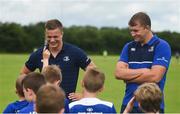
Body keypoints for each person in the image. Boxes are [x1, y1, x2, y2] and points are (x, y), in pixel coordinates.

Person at [20, 19, 96, 98]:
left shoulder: (74, 52)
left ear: (62, 34)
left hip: (68, 104)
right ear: (45, 35)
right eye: (49, 37)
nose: (52, 40)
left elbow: (93, 70)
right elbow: (23, 74)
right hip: (45, 103)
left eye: (55, 37)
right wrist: (32, 93)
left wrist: (84, 95)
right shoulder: (38, 54)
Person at [115, 12, 171, 113]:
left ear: (147, 28)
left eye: (136, 30)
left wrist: (128, 78)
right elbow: (118, 73)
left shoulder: (162, 45)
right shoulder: (128, 47)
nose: (132, 34)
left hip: (152, 106)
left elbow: (155, 77)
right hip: (129, 105)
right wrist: (145, 71)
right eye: (131, 31)